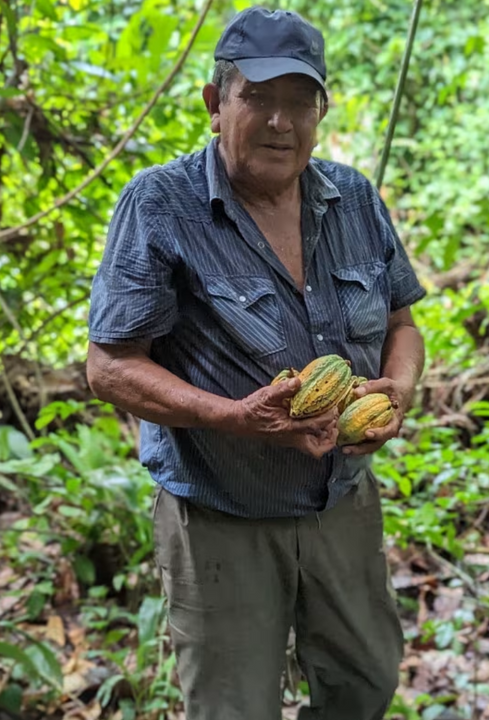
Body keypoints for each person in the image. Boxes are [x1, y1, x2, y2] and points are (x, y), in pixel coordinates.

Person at [86, 6, 426, 720]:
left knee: (367, 681)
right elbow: (111, 367)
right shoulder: (160, 206)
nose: (281, 122)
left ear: (321, 111)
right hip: (221, 514)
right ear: (216, 104)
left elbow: (402, 322)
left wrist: (396, 390)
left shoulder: (354, 198)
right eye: (259, 99)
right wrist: (234, 417)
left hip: (342, 504)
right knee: (233, 708)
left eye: (300, 103)